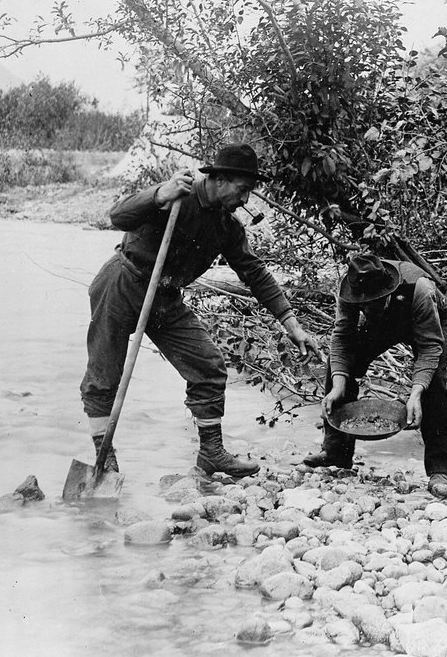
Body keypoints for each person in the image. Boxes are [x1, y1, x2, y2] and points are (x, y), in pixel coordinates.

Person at [80, 143, 321, 478]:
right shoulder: (177, 197)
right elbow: (118, 216)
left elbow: (255, 274)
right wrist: (159, 194)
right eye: (242, 190)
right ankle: (104, 460)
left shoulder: (227, 227)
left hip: (165, 296)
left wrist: (291, 324)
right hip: (123, 281)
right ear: (219, 179)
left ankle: (211, 453)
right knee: (104, 375)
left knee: (208, 365)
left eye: (249, 192)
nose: (246, 200)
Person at [303, 253, 447, 499]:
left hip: (428, 317)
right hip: (384, 322)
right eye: (363, 303)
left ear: (387, 291)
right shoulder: (350, 288)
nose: (366, 306)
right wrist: (338, 387)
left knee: (435, 384)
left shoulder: (420, 289)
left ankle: (440, 470)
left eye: (373, 301)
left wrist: (416, 393)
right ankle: (336, 451)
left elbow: (430, 348)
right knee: (339, 364)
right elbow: (342, 337)